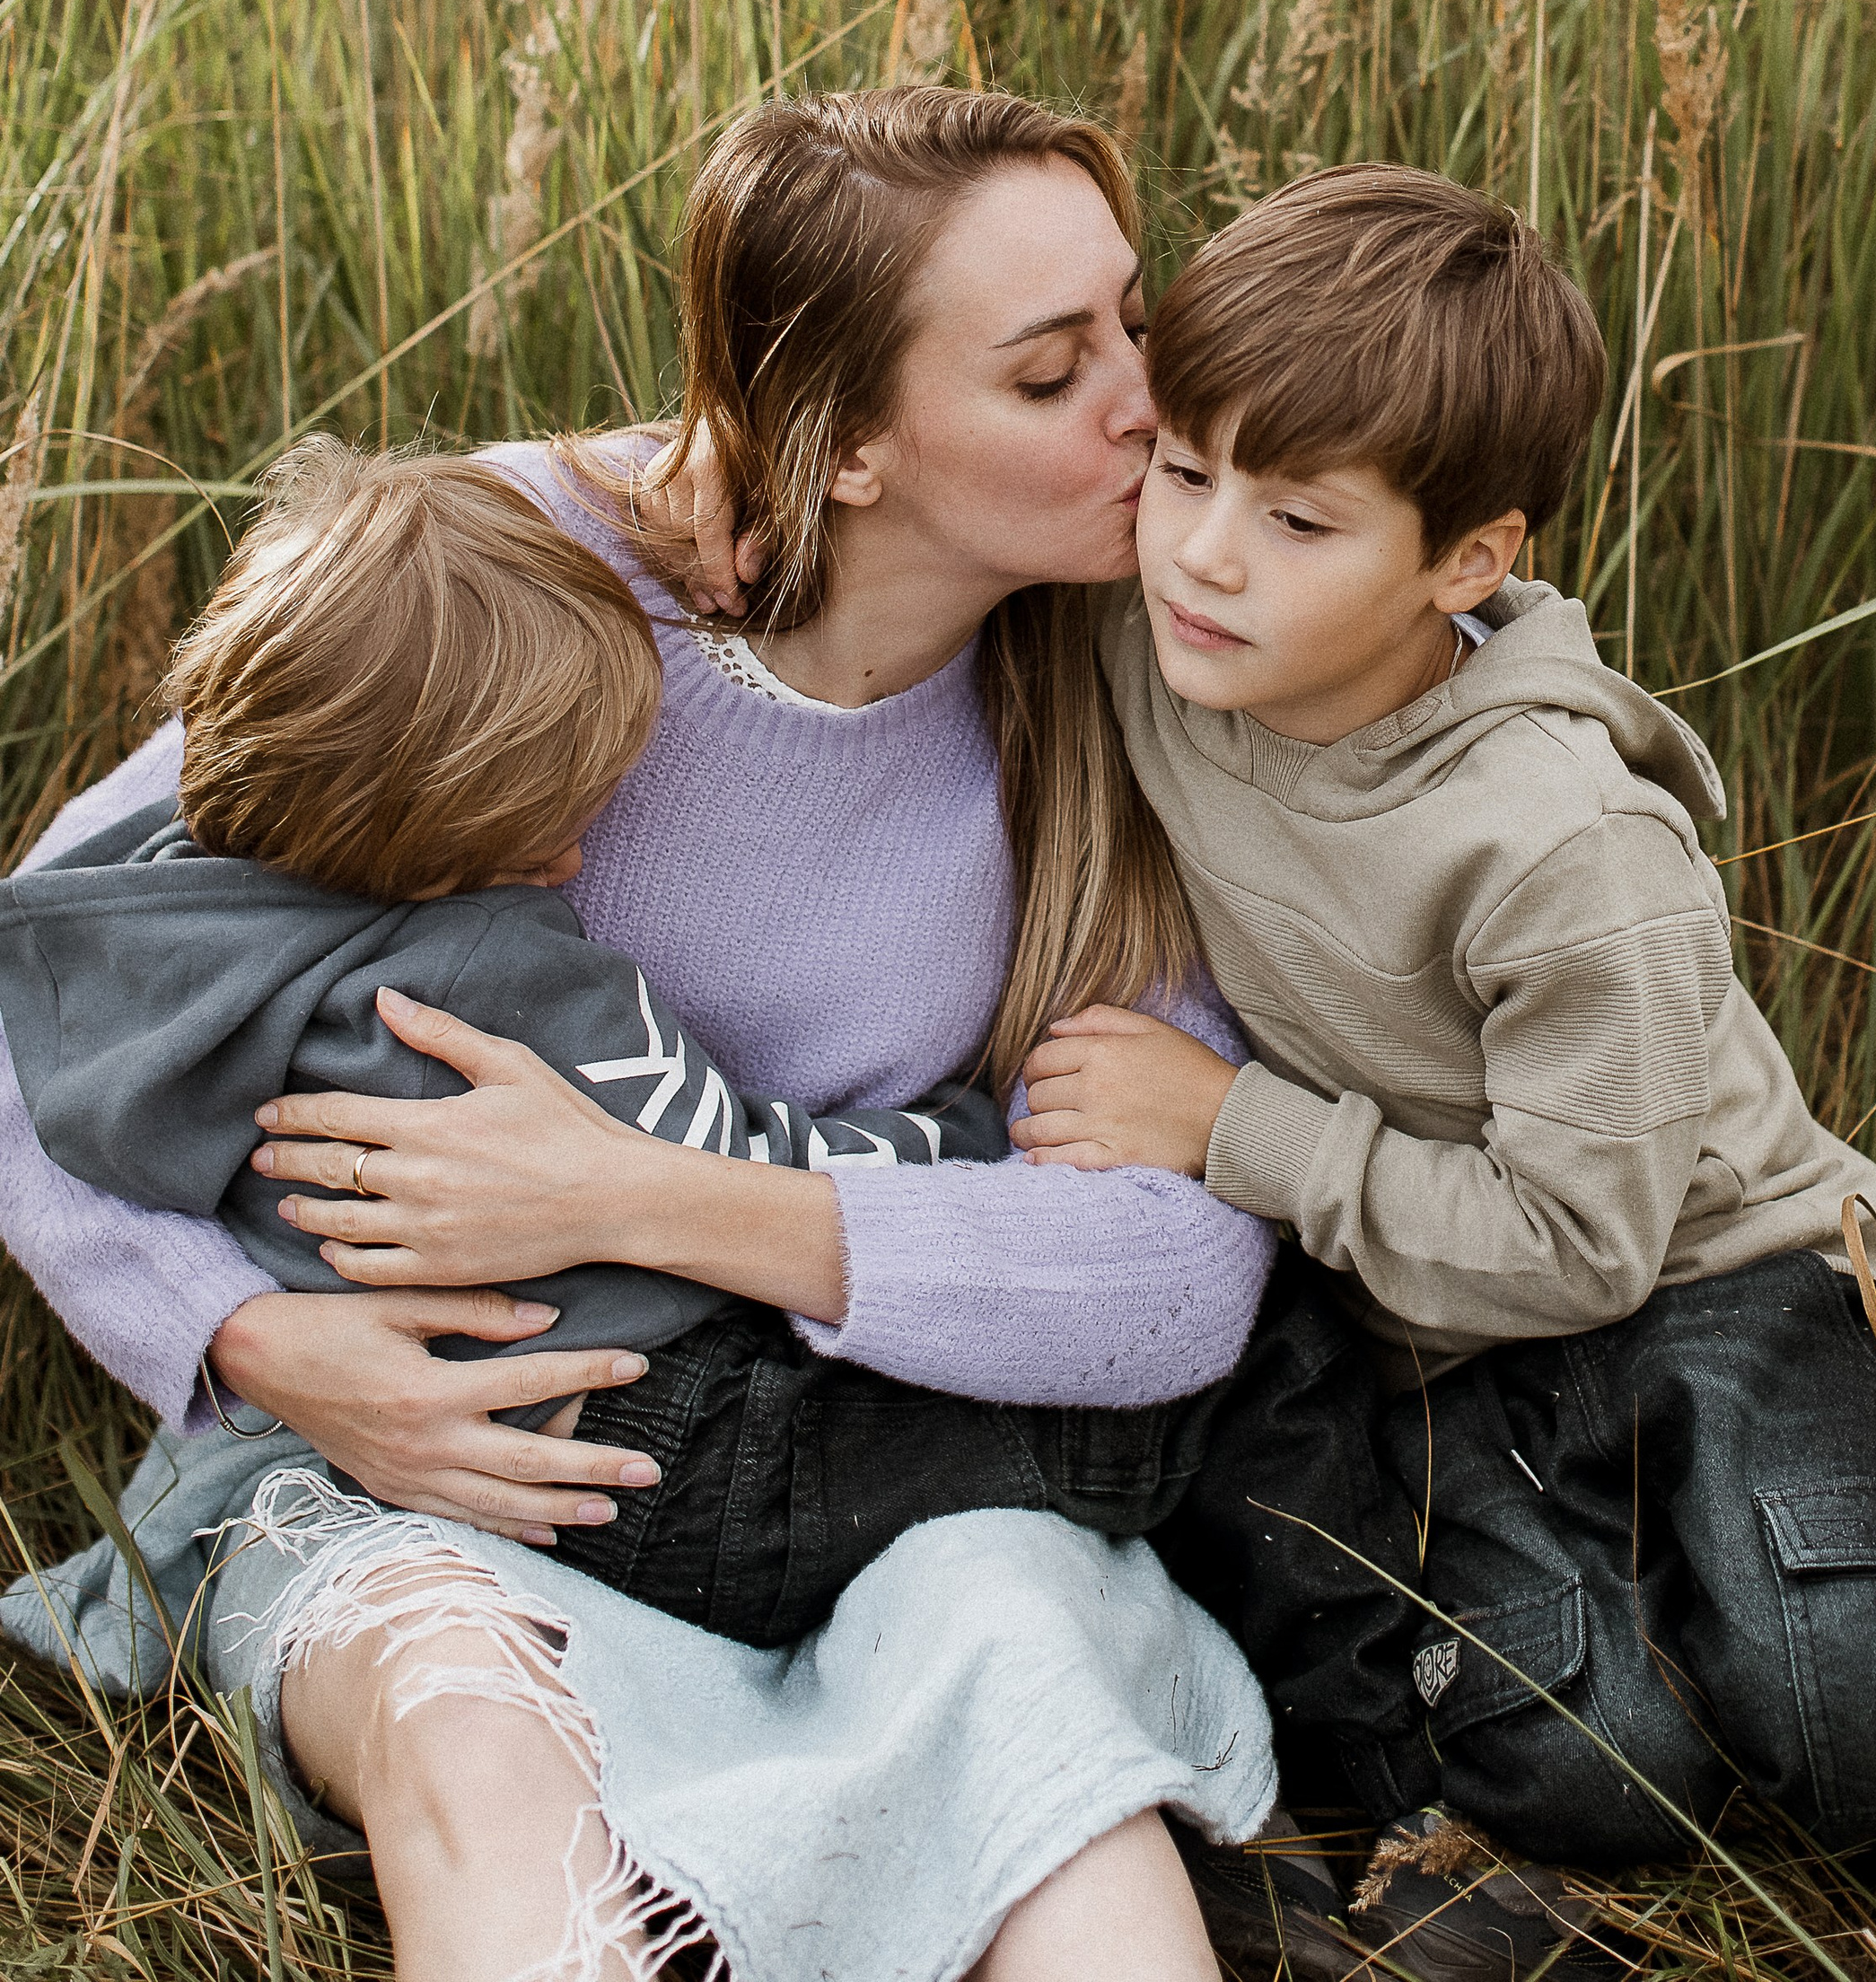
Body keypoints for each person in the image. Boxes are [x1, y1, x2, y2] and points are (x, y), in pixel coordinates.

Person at [0, 87, 1279, 1982]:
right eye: (1046, 373)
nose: (1149, 406)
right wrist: (251, 1342)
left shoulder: (1144, 704)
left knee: (1039, 1749)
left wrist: (645, 1197)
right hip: (418, 1455)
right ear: (844, 446)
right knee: (478, 1738)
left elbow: (1175, 1285)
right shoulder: (506, 576)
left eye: (1137, 322)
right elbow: (51, 998)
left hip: (875, 1455)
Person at [1013, 163, 1876, 1982]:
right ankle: (1644, 1607)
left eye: (1298, 520)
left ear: (1465, 559)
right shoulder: (1157, 640)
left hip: (1701, 1263)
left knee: (1839, 1702)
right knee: (1586, 1768)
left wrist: (1233, 1132)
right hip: (1439, 1326)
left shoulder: (1559, 848)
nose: (1200, 552)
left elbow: (1586, 1248)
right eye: (1185, 472)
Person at [0, 442, 1217, 1653]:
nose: (578, 864)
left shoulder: (152, 928)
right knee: (1139, 1441)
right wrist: (965, 1134)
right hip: (656, 1453)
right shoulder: (487, 970)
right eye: (552, 826)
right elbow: (721, 1142)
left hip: (524, 1438)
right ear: (430, 848)